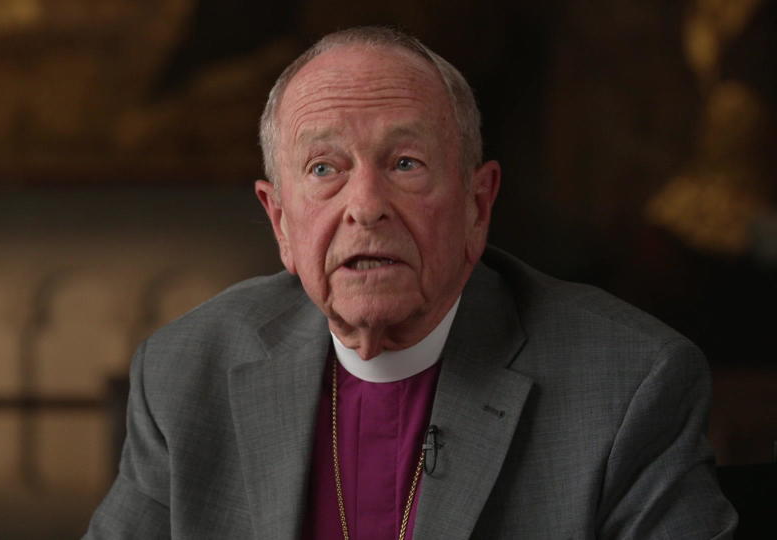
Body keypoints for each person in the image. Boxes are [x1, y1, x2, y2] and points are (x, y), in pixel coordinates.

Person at [84, 27, 737, 539]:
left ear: (478, 205)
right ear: (280, 222)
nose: (366, 205)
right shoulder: (185, 371)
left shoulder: (628, 384)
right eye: (323, 168)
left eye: (405, 163)